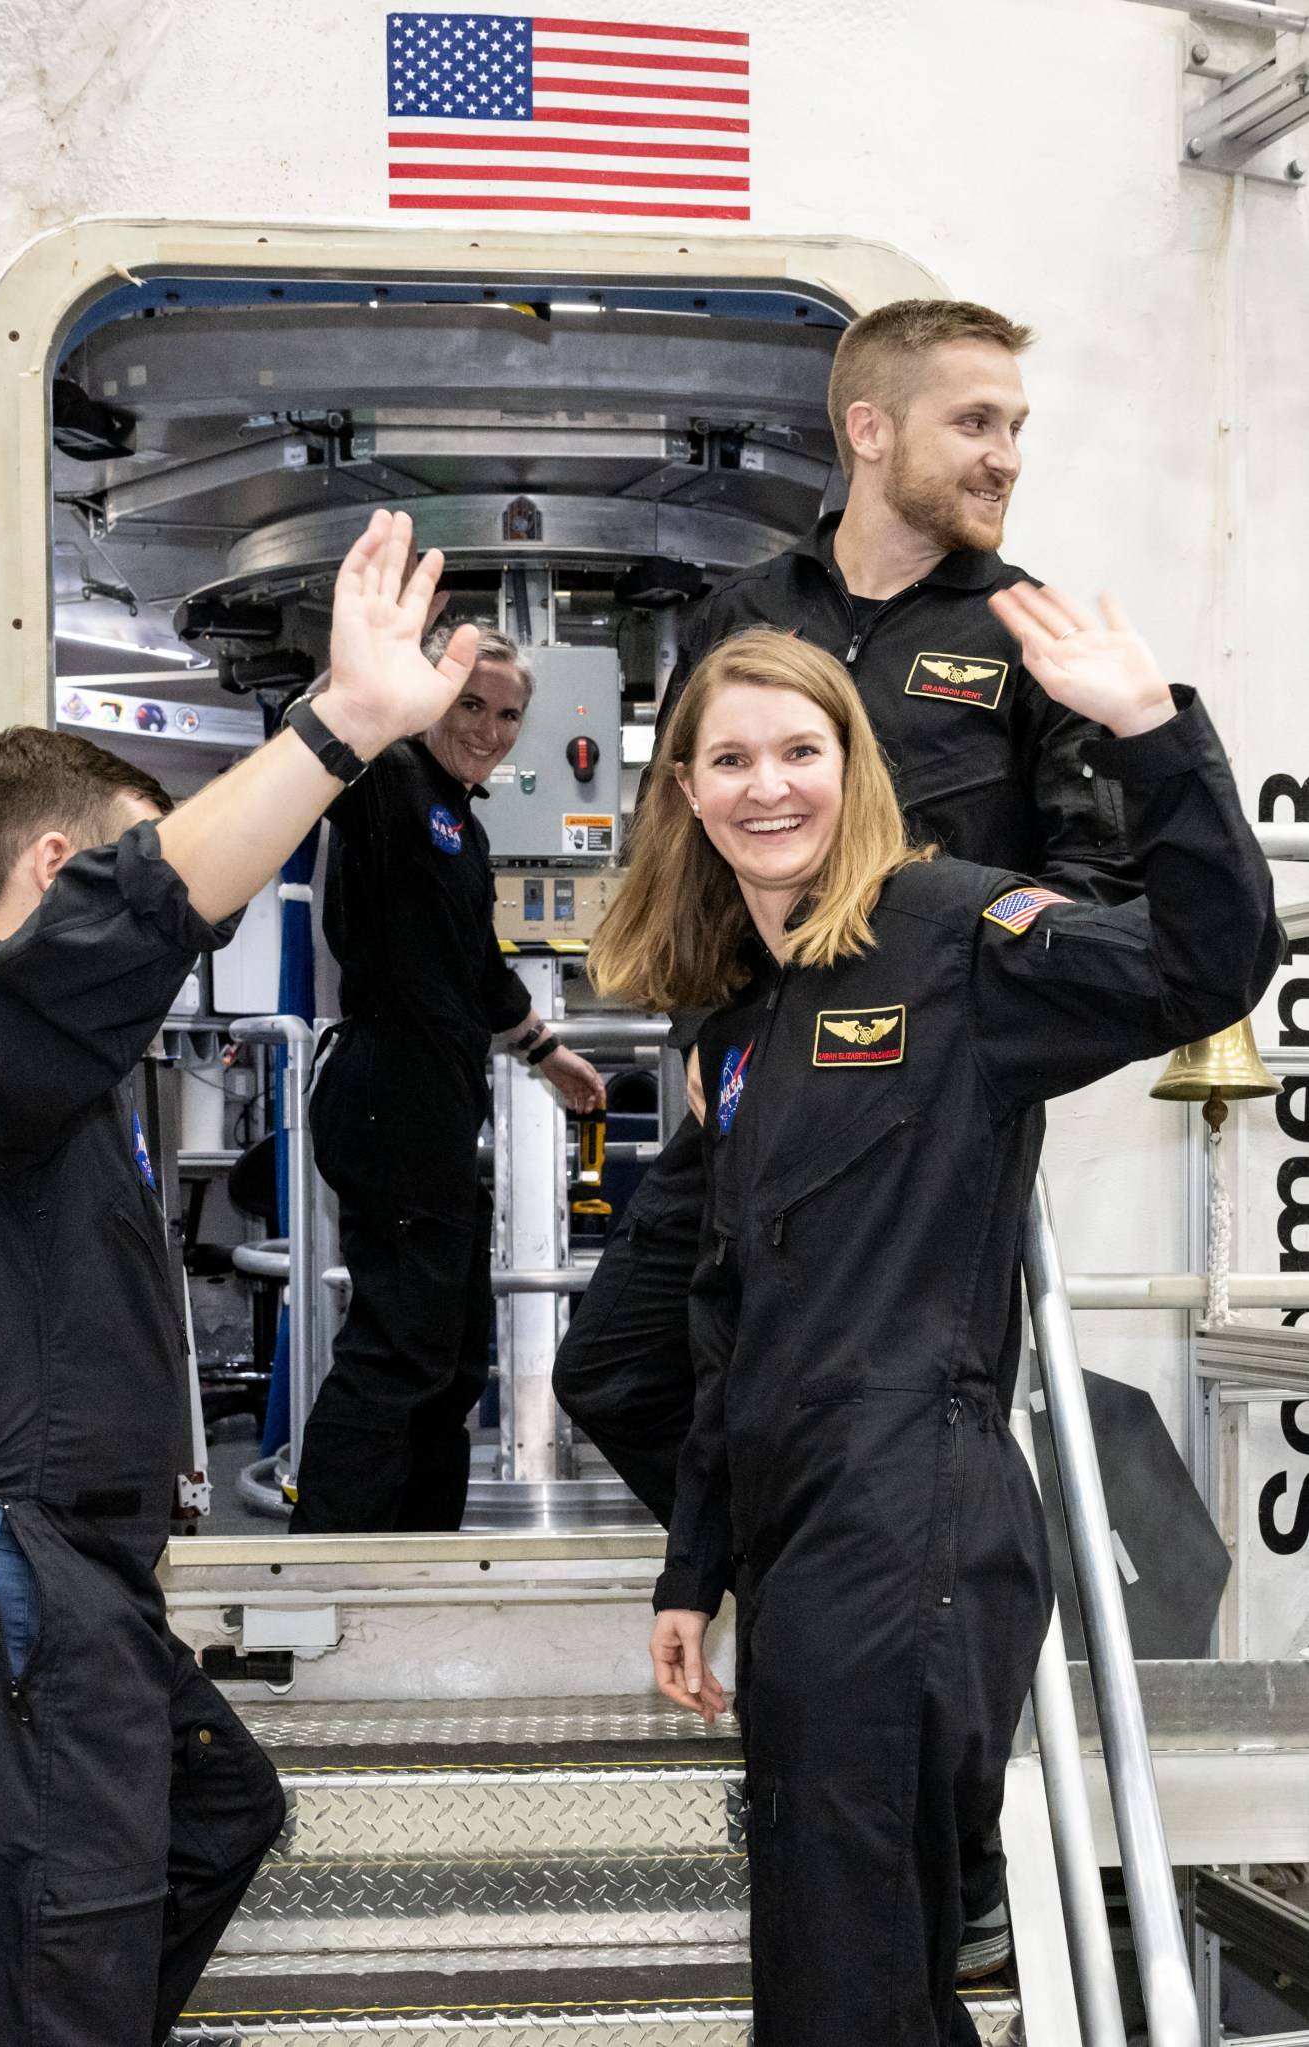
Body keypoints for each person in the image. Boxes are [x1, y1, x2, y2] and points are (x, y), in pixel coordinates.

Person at [0, 510, 485, 2047]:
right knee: (57, 1972)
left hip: (44, 1571)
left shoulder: (18, 1077)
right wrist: (344, 724)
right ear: (55, 866)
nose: (199, 917)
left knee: (211, 1810)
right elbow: (132, 919)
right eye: (149, 870)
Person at [587, 593, 1279, 2045]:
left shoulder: (960, 932)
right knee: (845, 1969)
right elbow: (723, 1318)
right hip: (795, 1531)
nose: (765, 785)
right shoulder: (735, 1018)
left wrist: (1152, 733)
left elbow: (1205, 963)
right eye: (727, 760)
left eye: (798, 750)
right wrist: (691, 1563)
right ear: (684, 792)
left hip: (911, 1512)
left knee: (844, 1980)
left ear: (853, 765)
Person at [555, 299, 1133, 1534]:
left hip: (921, 1117)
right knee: (615, 1365)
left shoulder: (1028, 638)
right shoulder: (741, 617)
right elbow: (683, 855)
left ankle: (881, 1617)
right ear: (869, 430)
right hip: (757, 1090)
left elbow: (1103, 899)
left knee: (897, 1416)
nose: (1007, 456)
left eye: (1017, 427)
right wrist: (712, 1038)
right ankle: (795, 1581)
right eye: (975, 422)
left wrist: (986, 1036)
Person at [290, 625, 605, 1533]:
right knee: (398, 1349)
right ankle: (329, 1565)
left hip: (433, 1106)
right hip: (388, 1094)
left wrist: (549, 1053)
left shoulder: (459, 822)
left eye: (509, 714)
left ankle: (422, 1546)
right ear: (429, 697)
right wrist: (365, 676)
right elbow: (302, 727)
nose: (492, 728)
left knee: (455, 1356)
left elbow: (479, 966)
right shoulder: (387, 782)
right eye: (471, 704)